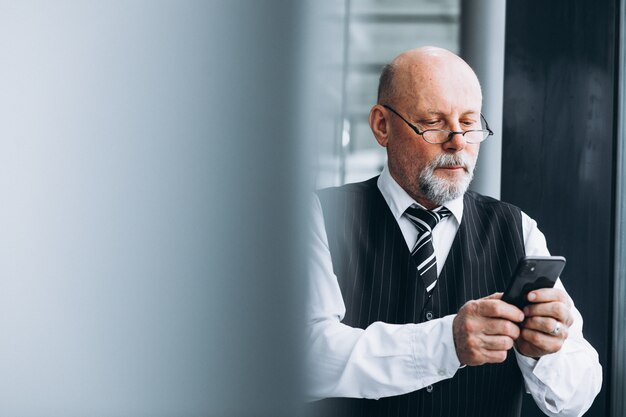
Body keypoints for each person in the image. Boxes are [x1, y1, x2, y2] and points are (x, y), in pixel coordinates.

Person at [306, 46, 602, 417]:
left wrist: (544, 352)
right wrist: (447, 344)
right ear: (382, 126)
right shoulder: (318, 216)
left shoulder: (518, 230)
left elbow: (576, 398)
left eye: (469, 122)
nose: (458, 141)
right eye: (433, 121)